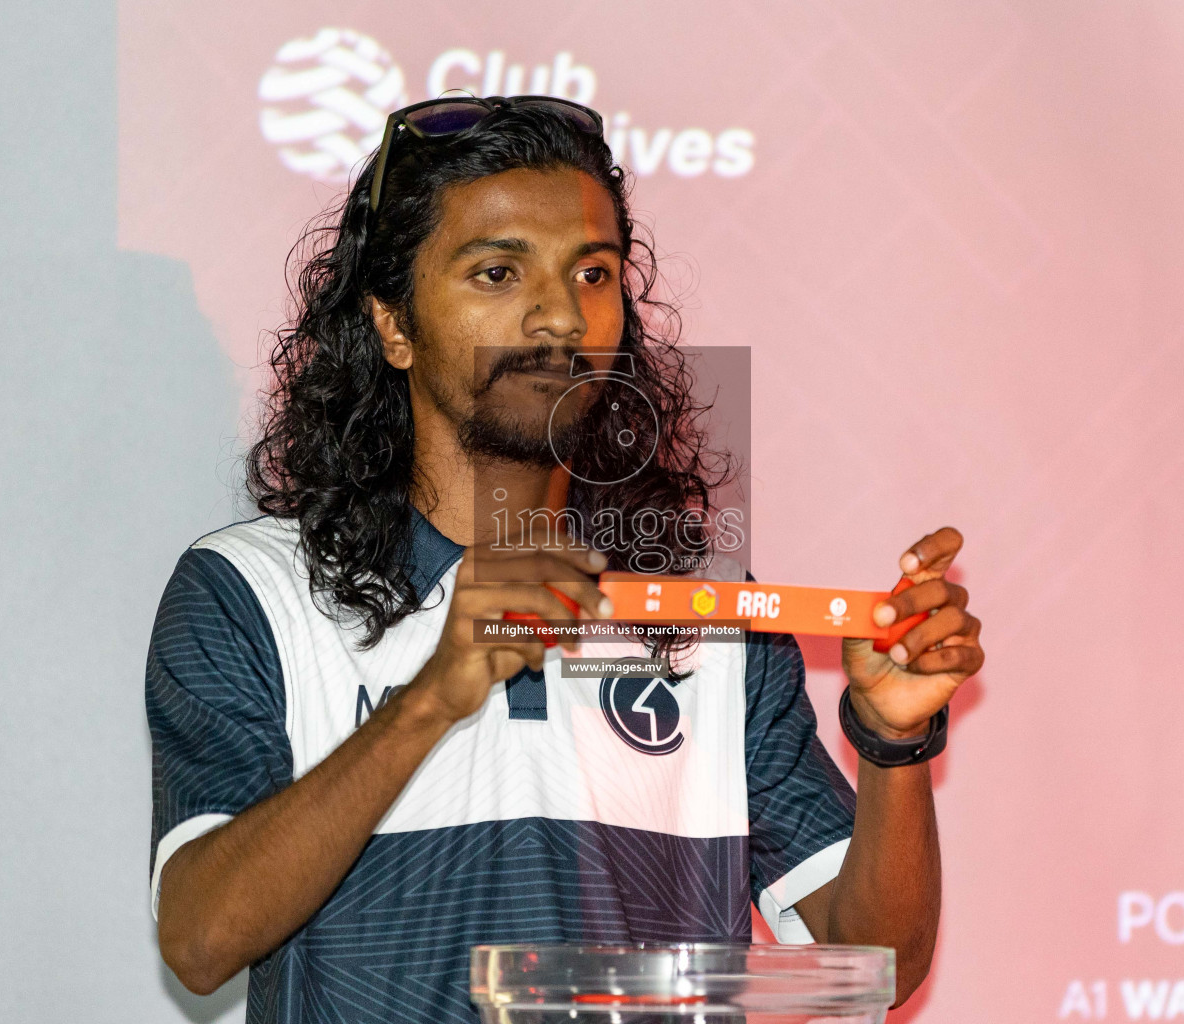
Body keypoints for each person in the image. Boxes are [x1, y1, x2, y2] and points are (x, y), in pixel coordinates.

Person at [146, 95, 985, 1023]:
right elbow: (200, 941)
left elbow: (872, 969)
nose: (557, 317)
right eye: (499, 272)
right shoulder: (251, 590)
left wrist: (895, 744)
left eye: (592, 272)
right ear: (393, 323)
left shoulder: (704, 612)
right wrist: (436, 694)